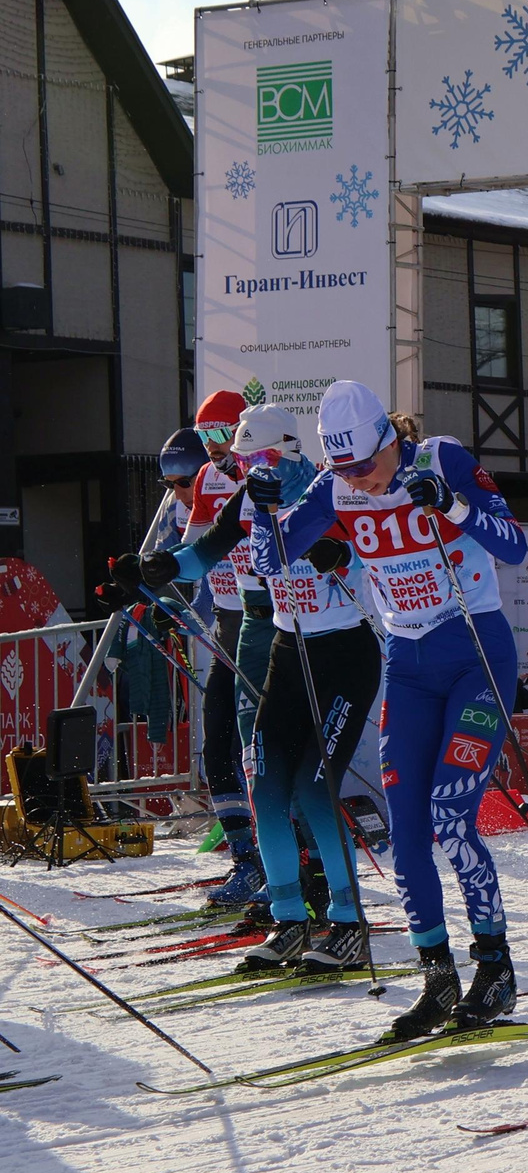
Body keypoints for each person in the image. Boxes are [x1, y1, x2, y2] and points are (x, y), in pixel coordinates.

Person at [250, 379, 528, 1039]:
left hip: (475, 654)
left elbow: (516, 544)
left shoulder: (440, 460)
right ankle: (437, 978)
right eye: (341, 469)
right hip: (408, 663)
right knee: (405, 833)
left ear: (391, 441)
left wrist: (455, 508)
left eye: (367, 467)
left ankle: (496, 967)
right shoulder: (337, 485)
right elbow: (271, 561)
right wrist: (262, 513)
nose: (359, 482)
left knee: (452, 813)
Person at [156, 406, 375, 974]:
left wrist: (339, 551)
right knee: (268, 784)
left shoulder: (327, 489)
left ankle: (349, 922)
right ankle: (290, 917)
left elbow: (367, 543)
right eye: (249, 458)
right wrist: (150, 569)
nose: (257, 468)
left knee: (311, 783)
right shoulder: (251, 497)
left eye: (267, 457)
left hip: (342, 653)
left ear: (291, 449)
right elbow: (202, 555)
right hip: (285, 648)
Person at [181, 387, 261, 904]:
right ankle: (246, 860)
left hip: (268, 621)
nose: (211, 445)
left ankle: (299, 859)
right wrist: (150, 580)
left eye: (219, 433)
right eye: (203, 435)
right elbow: (191, 548)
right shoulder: (209, 477)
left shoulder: (264, 474)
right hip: (229, 623)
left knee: (264, 749)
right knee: (217, 745)